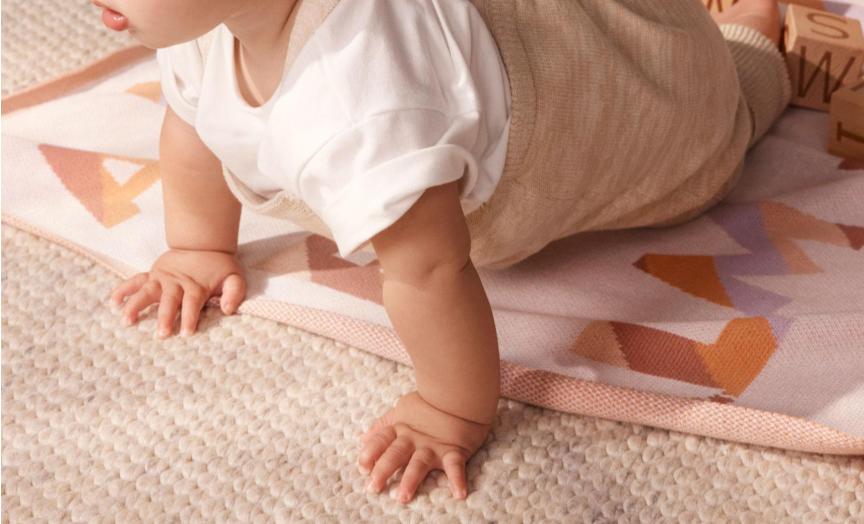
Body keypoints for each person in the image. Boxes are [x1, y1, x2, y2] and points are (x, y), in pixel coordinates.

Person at [101, 0, 789, 504]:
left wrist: (452, 406)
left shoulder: (361, 95)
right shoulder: (207, 23)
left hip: (637, 97)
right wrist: (196, 245)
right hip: (512, 35)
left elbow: (428, 268)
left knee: (723, 112)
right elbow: (194, 120)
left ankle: (757, 24)